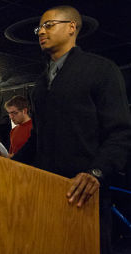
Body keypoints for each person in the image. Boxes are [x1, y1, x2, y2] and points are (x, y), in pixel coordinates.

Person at [12, 5, 131, 254]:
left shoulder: (101, 69)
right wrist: (9, 163)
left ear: (71, 27)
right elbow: (38, 138)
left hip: (85, 195)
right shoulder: (40, 84)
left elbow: (120, 132)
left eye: (48, 25)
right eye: (39, 28)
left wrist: (95, 172)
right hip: (44, 193)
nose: (40, 32)